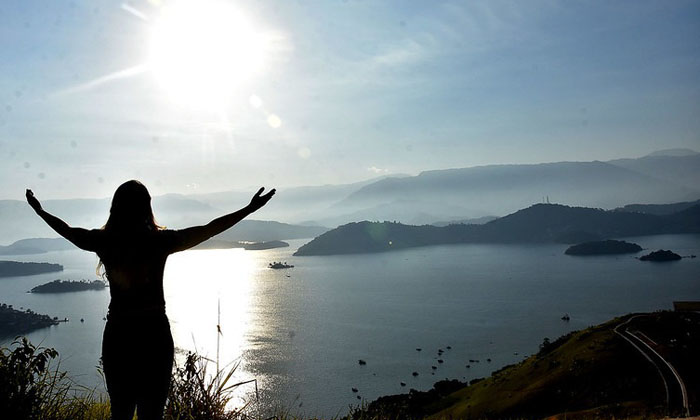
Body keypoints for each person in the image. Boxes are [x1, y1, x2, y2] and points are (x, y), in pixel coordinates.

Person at [25, 180, 275, 420]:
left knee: (120, 412)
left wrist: (40, 212)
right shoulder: (160, 241)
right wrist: (249, 208)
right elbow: (209, 229)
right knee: (152, 414)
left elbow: (67, 231)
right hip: (154, 334)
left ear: (115, 207)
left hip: (119, 334)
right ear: (147, 207)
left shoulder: (105, 241)